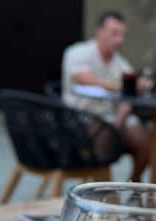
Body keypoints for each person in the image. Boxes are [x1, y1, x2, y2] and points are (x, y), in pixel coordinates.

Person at [62, 10, 151, 179]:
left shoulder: (120, 63)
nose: (120, 40)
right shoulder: (77, 53)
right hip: (81, 117)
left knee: (143, 140)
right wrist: (123, 86)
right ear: (99, 32)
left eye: (123, 35)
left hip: (113, 117)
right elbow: (86, 79)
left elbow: (129, 95)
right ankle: (103, 194)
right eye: (114, 34)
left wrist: (119, 118)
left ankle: (134, 186)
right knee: (104, 135)